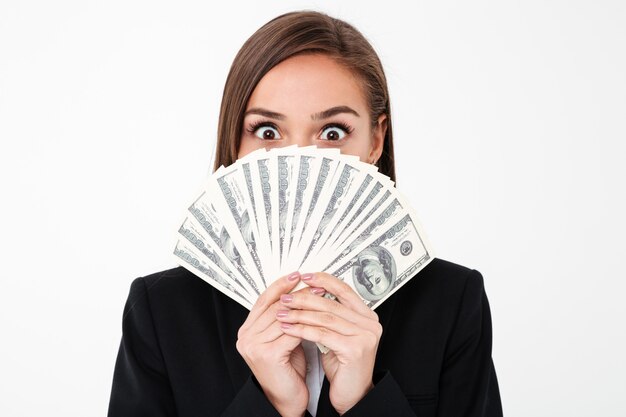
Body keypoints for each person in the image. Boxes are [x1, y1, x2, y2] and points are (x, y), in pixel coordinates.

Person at [107, 10, 503, 417]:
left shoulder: (452, 303)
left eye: (332, 133)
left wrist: (364, 401)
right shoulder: (162, 312)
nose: (297, 161)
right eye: (267, 131)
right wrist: (274, 405)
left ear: (376, 140)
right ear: (235, 143)